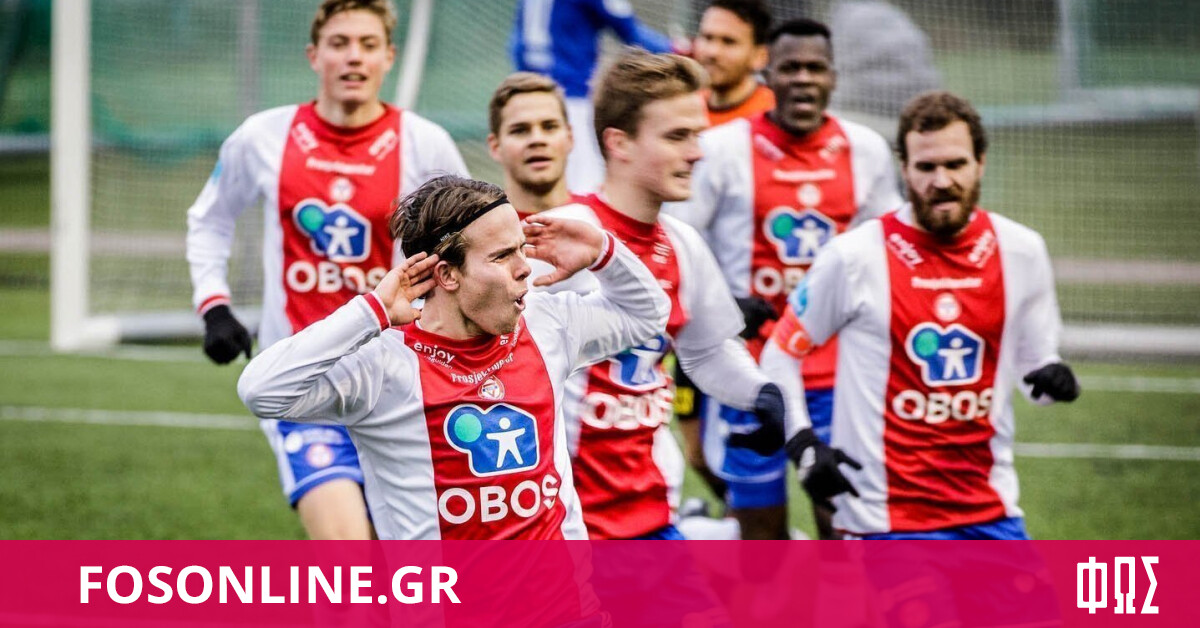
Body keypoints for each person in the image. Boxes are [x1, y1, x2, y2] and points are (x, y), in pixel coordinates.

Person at [238, 174, 670, 541]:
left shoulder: (546, 326)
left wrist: (604, 251)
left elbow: (648, 315)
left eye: (522, 248)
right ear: (446, 274)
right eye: (502, 255)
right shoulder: (384, 365)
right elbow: (261, 391)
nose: (524, 267)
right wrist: (372, 310)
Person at [186, 0, 468, 540]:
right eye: (339, 44)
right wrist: (214, 305)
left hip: (396, 378)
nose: (353, 57)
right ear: (314, 56)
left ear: (388, 57)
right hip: (305, 379)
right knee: (348, 556)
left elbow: (464, 239)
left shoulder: (425, 142)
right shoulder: (263, 136)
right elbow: (210, 218)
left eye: (367, 45)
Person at [760, 90, 1082, 540]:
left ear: (981, 163)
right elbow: (779, 353)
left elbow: (1036, 379)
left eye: (955, 164)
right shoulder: (854, 257)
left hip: (990, 511)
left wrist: (1053, 377)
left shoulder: (1022, 251)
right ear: (905, 168)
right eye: (926, 167)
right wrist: (803, 442)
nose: (941, 181)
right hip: (884, 523)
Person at [527, 50, 789, 542]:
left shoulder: (682, 244)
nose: (696, 153)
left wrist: (761, 394)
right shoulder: (566, 237)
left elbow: (707, 350)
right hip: (567, 528)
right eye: (676, 136)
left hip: (652, 516)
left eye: (697, 135)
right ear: (619, 143)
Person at [665, 18, 902, 540]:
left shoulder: (867, 151)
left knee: (845, 526)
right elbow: (677, 246)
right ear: (767, 74)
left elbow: (890, 255)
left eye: (815, 68)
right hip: (750, 376)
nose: (803, 79)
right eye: (790, 68)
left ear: (833, 76)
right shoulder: (720, 149)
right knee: (760, 539)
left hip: (842, 379)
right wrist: (722, 307)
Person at [510, 0, 676, 194]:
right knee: (585, 184)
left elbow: (516, 44)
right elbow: (630, 31)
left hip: (530, 96)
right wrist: (676, 50)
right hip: (571, 98)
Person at [486, 72, 576, 218]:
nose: (537, 139)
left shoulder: (602, 223)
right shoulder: (477, 229)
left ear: (570, 137)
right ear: (495, 146)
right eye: (520, 130)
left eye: (549, 127)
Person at [692, 0, 775, 126]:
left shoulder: (773, 115)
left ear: (760, 56)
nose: (712, 52)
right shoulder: (684, 107)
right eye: (707, 37)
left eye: (729, 42)